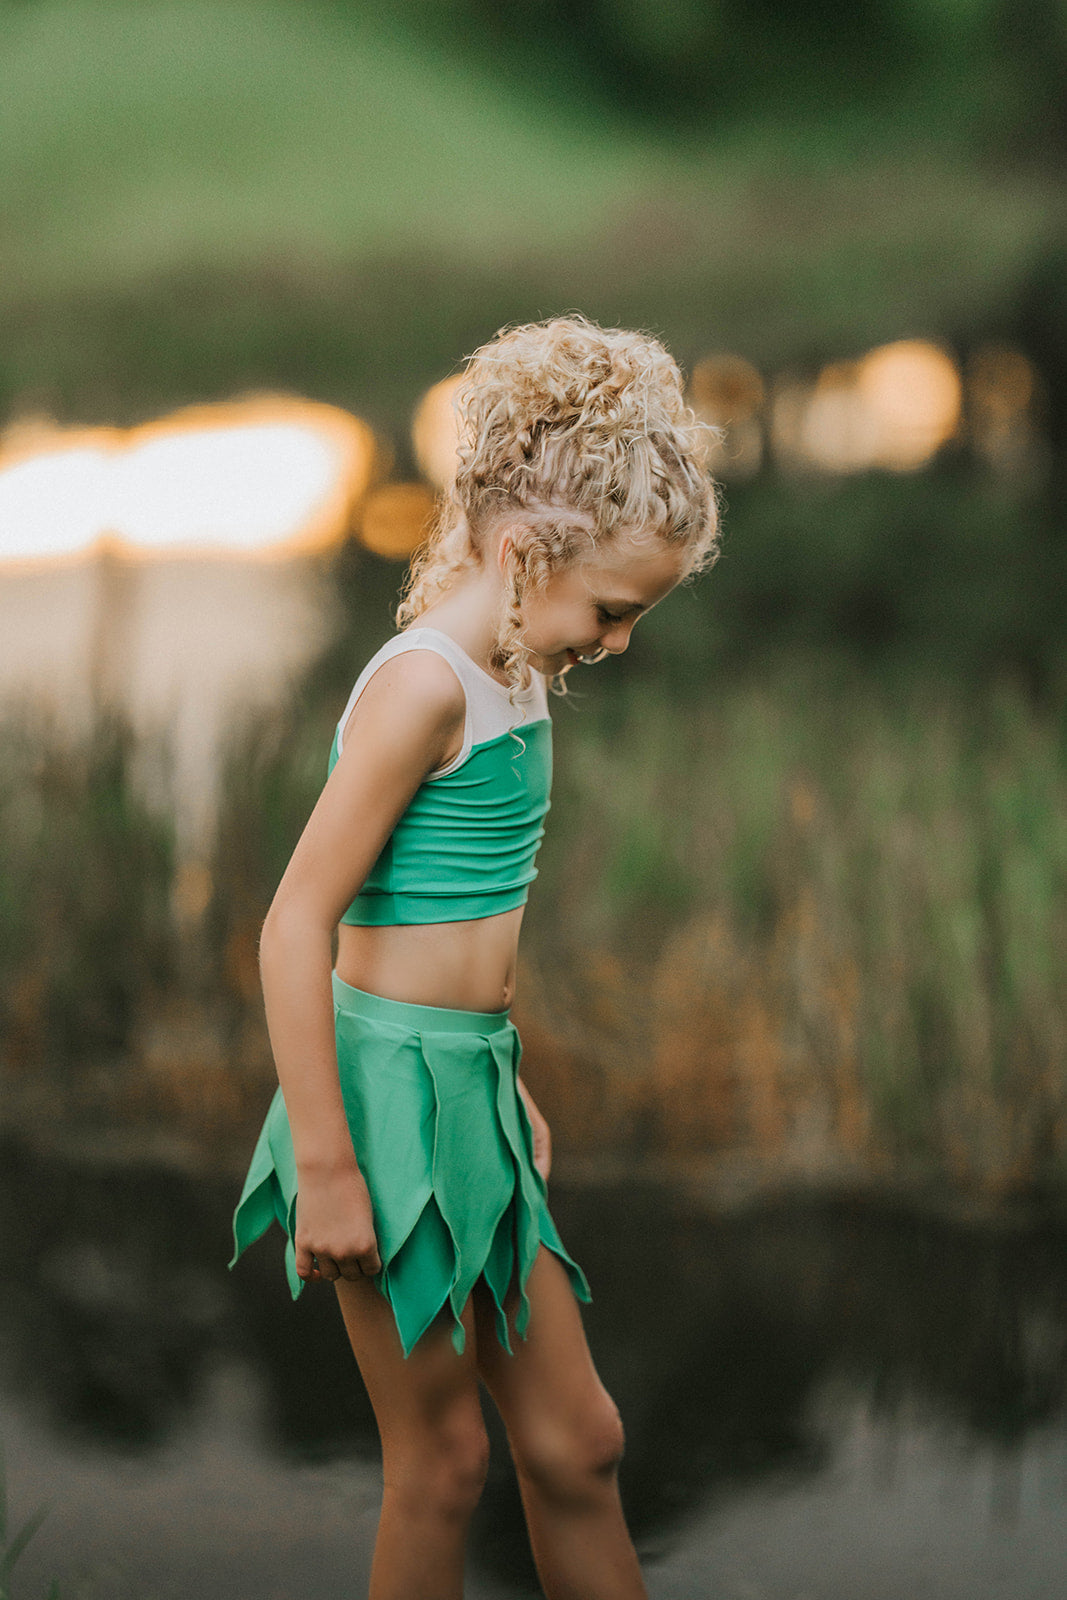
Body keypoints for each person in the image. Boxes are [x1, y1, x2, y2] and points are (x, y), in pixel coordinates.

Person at [230, 312, 721, 1599]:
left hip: (470, 1095)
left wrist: (503, 1086)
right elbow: (294, 924)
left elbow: (464, 935)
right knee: (440, 1460)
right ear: (522, 549)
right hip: (383, 1110)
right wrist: (329, 1170)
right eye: (612, 610)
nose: (614, 642)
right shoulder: (424, 683)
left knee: (579, 1440)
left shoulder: (511, 665)